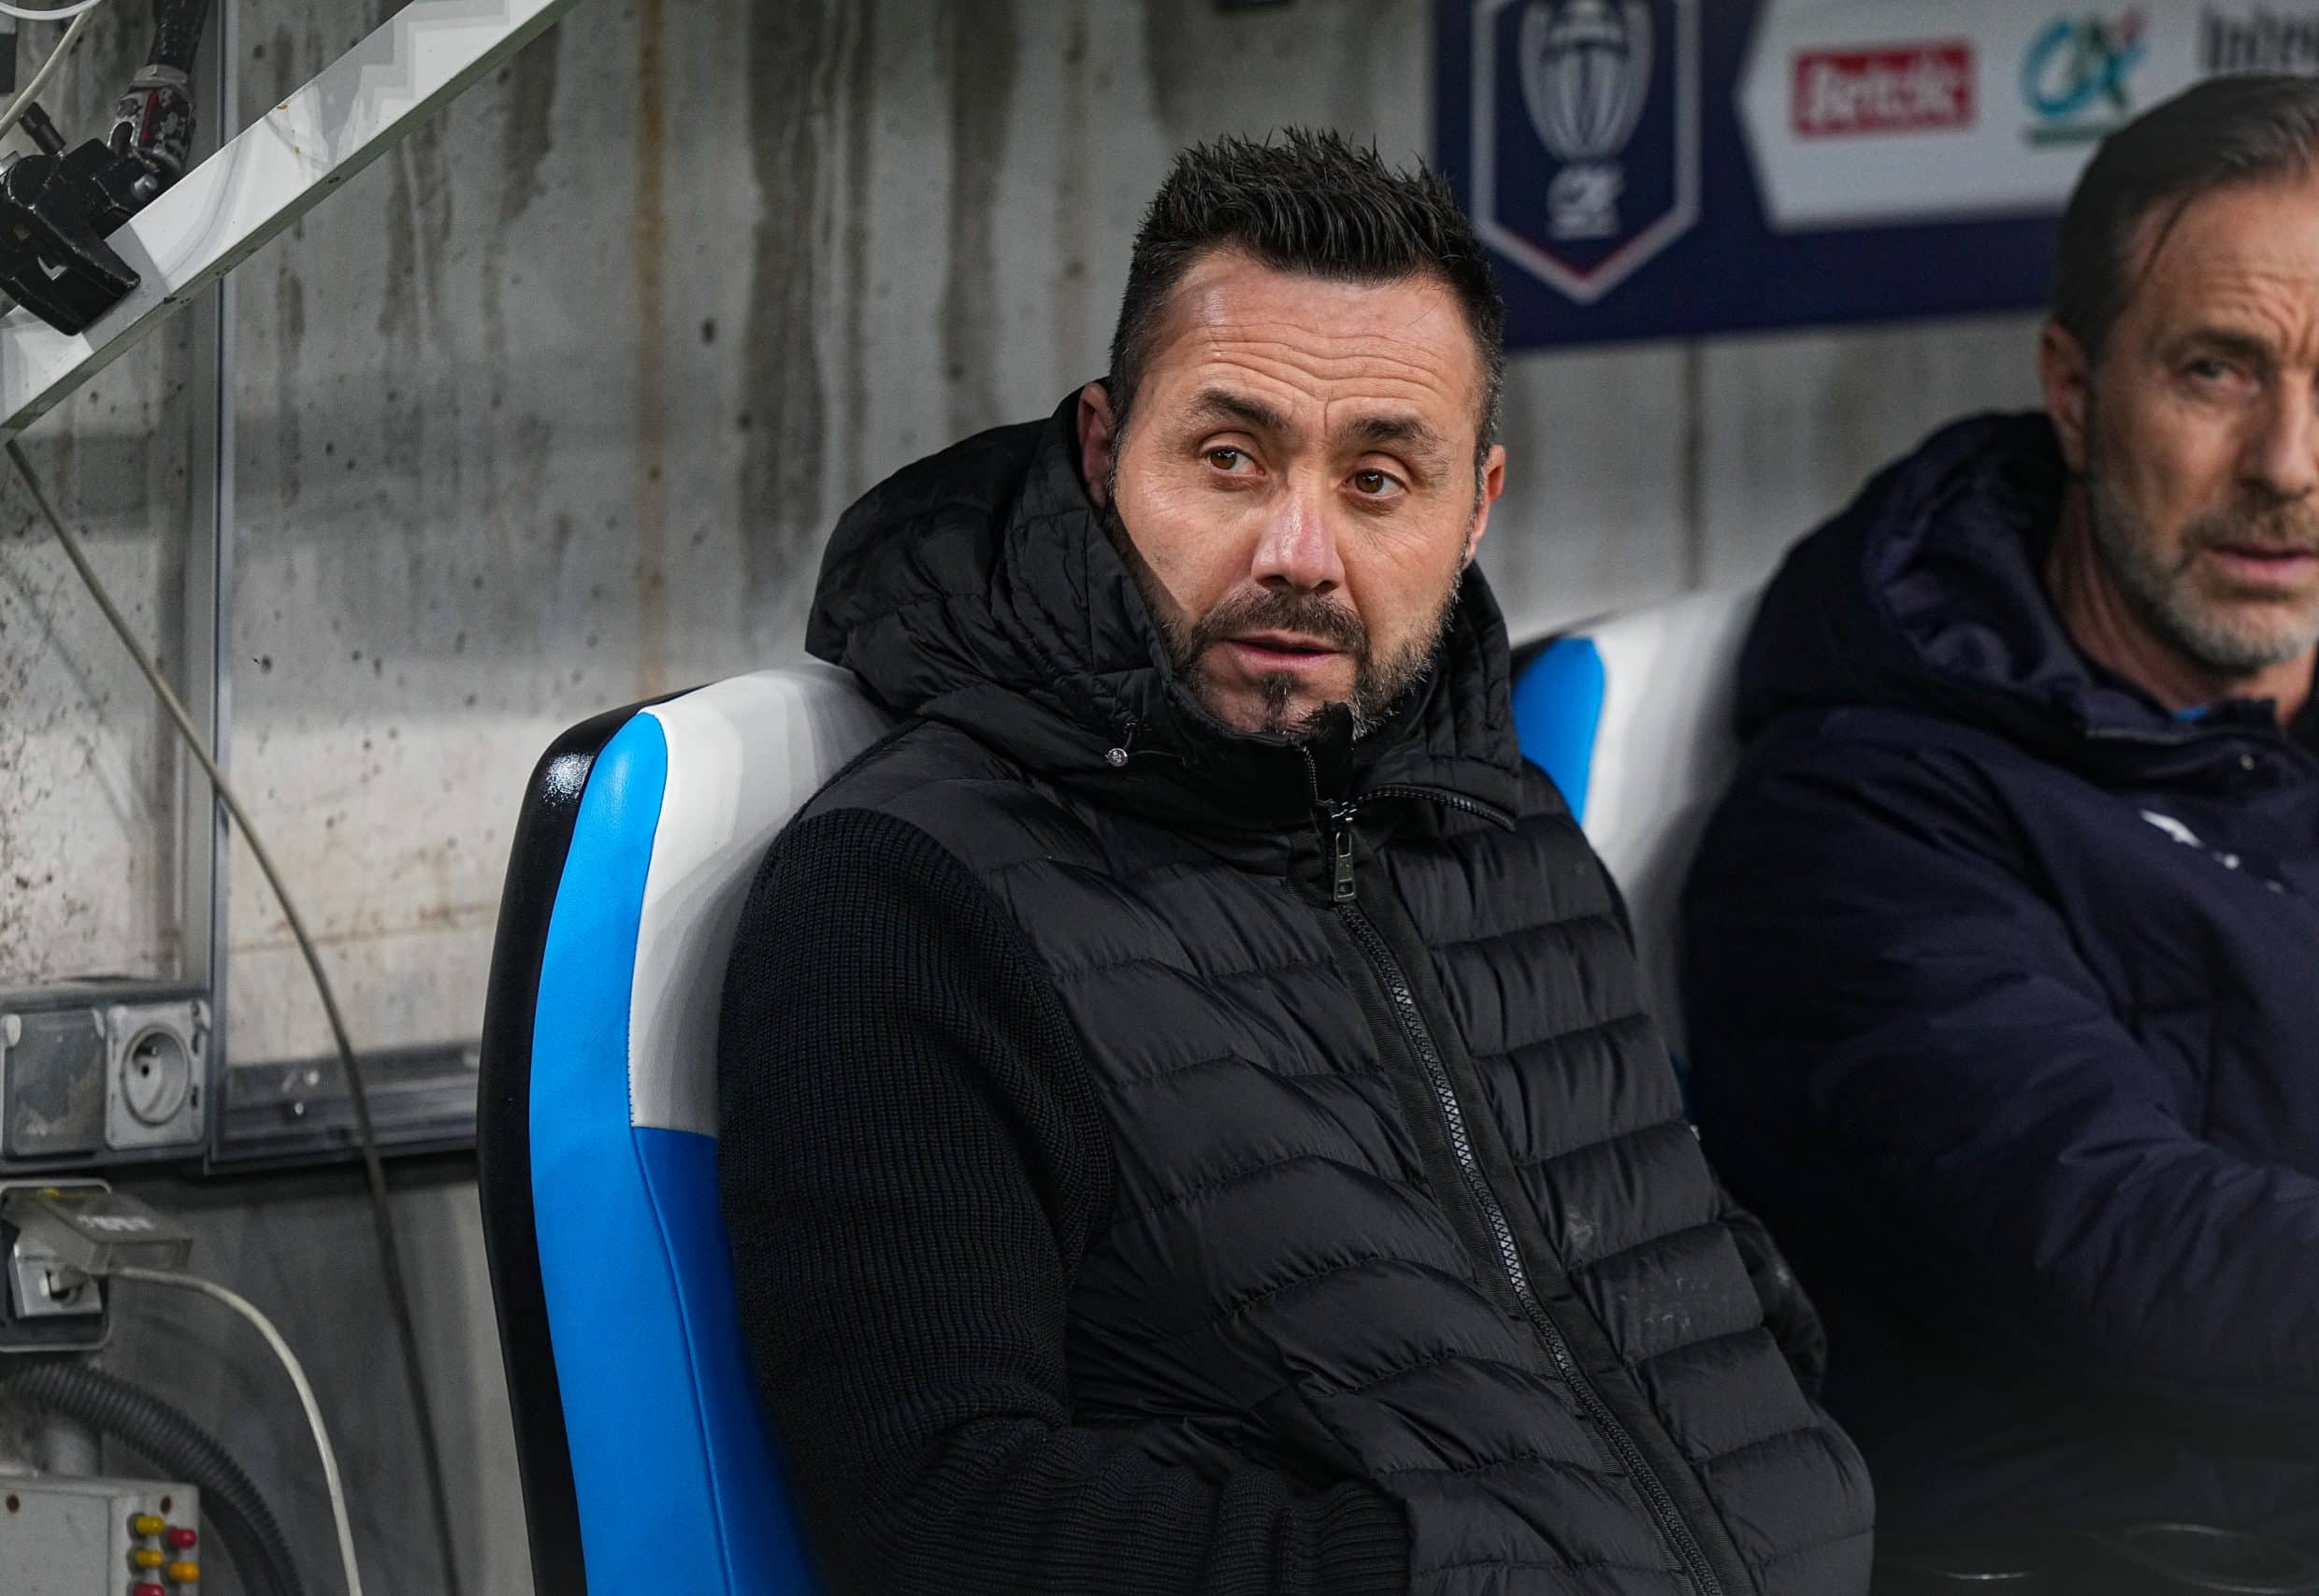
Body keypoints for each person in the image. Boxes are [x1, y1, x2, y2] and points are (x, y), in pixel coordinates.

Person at [714, 132, 1871, 1596]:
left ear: (1476, 508)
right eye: (1229, 460)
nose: (1300, 552)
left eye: (1379, 479)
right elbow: (941, 1516)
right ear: (1102, 452)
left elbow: (1701, 1301)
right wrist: (1426, 1570)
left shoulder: (1501, 821)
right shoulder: (912, 894)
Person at [1684, 76, 2319, 1569]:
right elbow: (2119, 1239)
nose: (2290, 464)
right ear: (2077, 392)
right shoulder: (1859, 815)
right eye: (2218, 370)